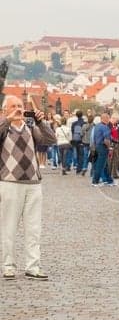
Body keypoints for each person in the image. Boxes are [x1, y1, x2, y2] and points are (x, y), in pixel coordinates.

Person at [0, 95, 56, 281]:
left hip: (33, 184)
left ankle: (33, 266)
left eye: (20, 106)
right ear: (5, 110)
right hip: (10, 183)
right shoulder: (4, 130)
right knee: (9, 226)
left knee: (33, 228)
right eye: (13, 106)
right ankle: (8, 266)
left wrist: (41, 122)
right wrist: (7, 120)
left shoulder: (31, 129)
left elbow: (50, 140)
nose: (17, 109)